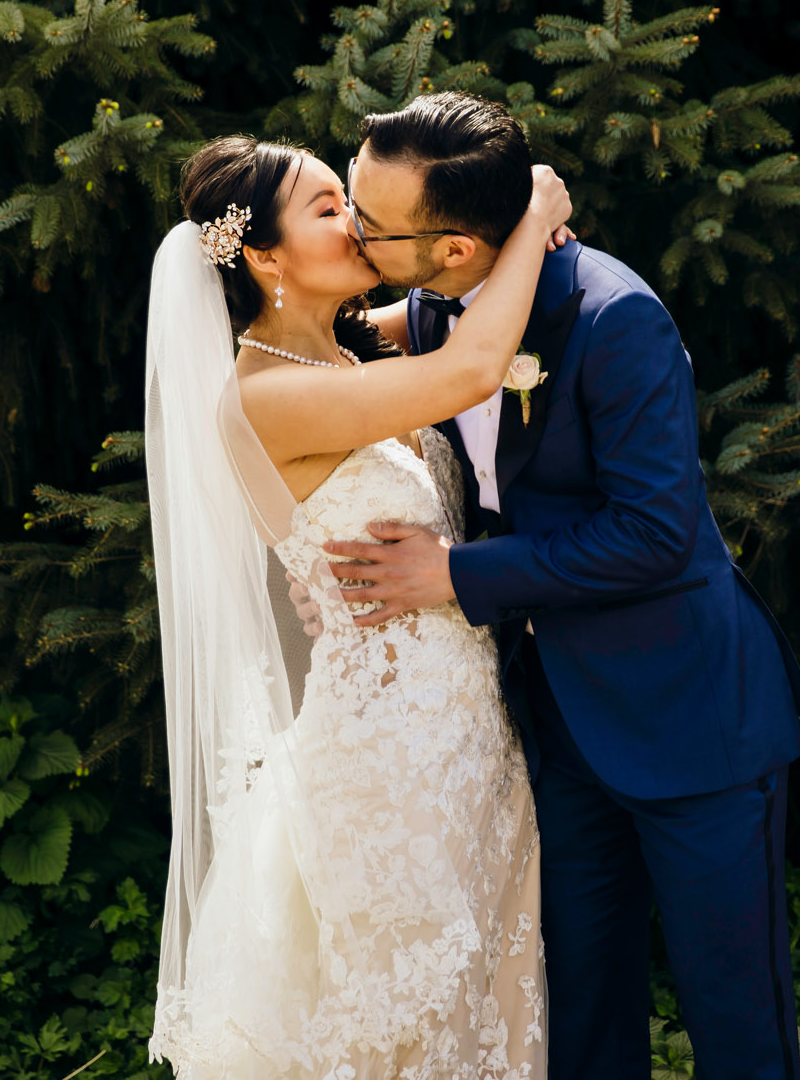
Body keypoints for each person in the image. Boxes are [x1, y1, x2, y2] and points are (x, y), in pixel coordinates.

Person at [319, 91, 800, 1080]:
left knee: (736, 1020)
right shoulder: (436, 306)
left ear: (460, 247)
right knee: (577, 1016)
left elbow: (653, 534)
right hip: (554, 729)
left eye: (370, 223)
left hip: (690, 723)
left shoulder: (613, 316)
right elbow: (334, 337)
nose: (354, 231)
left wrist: (455, 575)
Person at [143, 132, 574, 1079]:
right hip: (388, 764)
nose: (359, 222)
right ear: (263, 256)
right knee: (407, 1026)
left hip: (470, 739)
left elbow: (438, 313)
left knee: (482, 1016)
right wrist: (533, 211)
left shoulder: (344, 353)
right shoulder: (265, 397)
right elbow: (467, 368)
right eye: (329, 208)